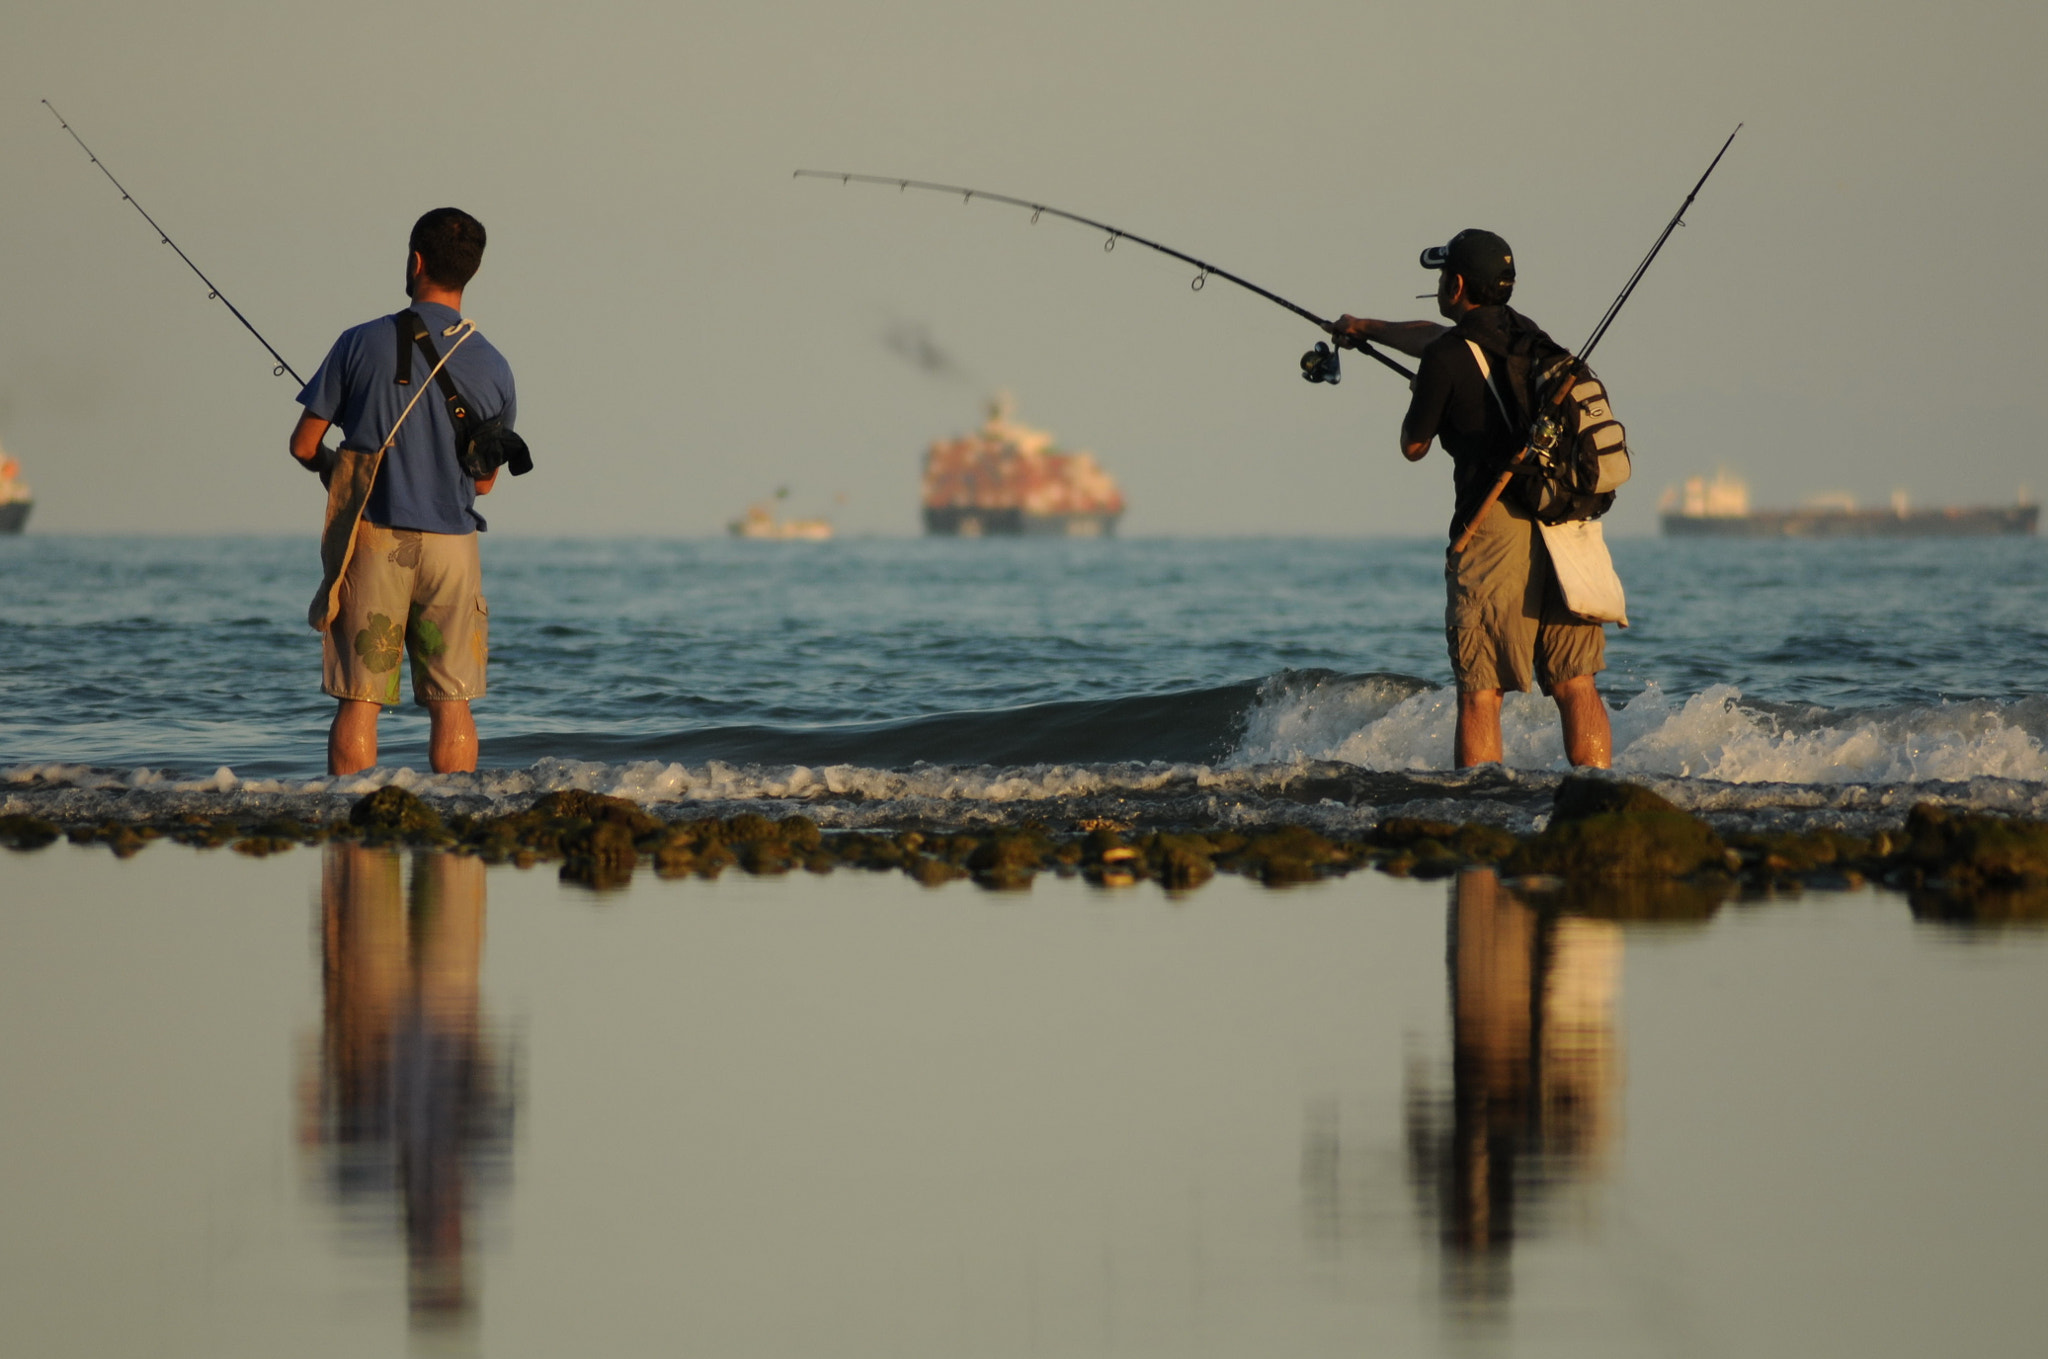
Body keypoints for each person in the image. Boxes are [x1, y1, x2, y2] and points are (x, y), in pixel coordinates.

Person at [1330, 229, 1612, 770]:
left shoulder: (1448, 357)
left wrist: (1428, 393)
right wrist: (1364, 329)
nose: (1439, 285)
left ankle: (1478, 809)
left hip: (1496, 523)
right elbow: (1432, 337)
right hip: (1563, 518)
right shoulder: (1531, 338)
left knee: (1481, 689)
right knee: (1575, 681)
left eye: (1441, 276)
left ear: (1456, 284)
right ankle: (1597, 797)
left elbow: (1413, 445)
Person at [288, 208, 518, 776]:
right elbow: (484, 480)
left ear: (416, 261)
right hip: (454, 548)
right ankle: (457, 835)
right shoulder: (495, 366)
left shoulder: (358, 343)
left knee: (360, 704)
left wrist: (334, 469)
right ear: (471, 273)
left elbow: (303, 444)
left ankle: (352, 833)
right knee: (453, 704)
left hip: (375, 542)